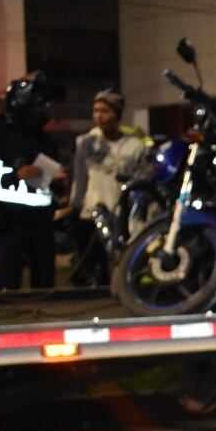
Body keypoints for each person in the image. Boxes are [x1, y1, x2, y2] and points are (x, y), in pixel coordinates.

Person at [0, 71, 61, 290]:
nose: (45, 110)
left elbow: (51, 181)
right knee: (8, 281)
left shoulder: (44, 140)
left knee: (44, 283)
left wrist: (58, 181)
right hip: (8, 221)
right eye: (41, 104)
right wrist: (16, 175)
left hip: (41, 223)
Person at [64, 88, 149, 286]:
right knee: (94, 264)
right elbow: (80, 177)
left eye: (105, 111)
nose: (100, 116)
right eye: (96, 111)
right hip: (91, 212)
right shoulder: (88, 142)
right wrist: (74, 206)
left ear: (117, 115)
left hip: (122, 213)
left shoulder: (135, 146)